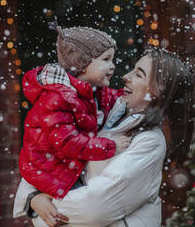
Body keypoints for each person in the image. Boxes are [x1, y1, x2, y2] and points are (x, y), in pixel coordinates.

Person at [14, 48, 195, 227]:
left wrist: (41, 208)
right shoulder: (102, 114)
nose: (126, 76)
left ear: (157, 91)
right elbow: (43, 160)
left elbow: (92, 209)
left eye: (139, 75)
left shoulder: (149, 142)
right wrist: (32, 198)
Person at [19, 26, 130, 204]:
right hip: (51, 169)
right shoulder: (58, 97)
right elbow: (68, 142)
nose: (113, 65)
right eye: (106, 59)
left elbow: (114, 99)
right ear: (83, 65)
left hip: (68, 165)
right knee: (93, 204)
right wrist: (111, 146)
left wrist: (134, 99)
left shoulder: (93, 90)